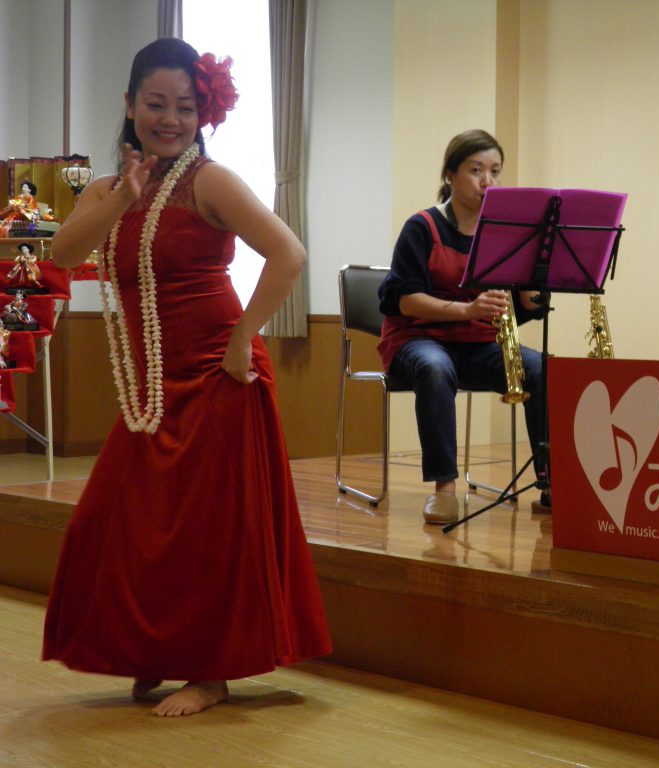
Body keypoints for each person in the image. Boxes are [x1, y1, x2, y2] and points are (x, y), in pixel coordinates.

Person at [42, 37, 331, 717]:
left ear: (203, 114)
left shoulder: (211, 181)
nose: (170, 120)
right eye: (156, 104)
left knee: (209, 534)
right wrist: (123, 197)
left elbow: (288, 253)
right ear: (130, 105)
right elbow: (64, 252)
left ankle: (210, 672)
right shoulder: (109, 189)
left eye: (185, 107)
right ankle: (147, 651)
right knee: (113, 524)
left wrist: (243, 339)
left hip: (218, 375)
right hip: (148, 391)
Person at [377, 129, 548, 524]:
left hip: (476, 344)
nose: (488, 181)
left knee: (542, 369)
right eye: (476, 170)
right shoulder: (422, 227)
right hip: (417, 339)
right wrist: (467, 309)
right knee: (436, 367)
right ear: (450, 175)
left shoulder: (505, 234)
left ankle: (550, 482)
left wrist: (534, 288)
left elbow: (519, 305)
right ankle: (444, 489)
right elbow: (405, 300)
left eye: (495, 171)